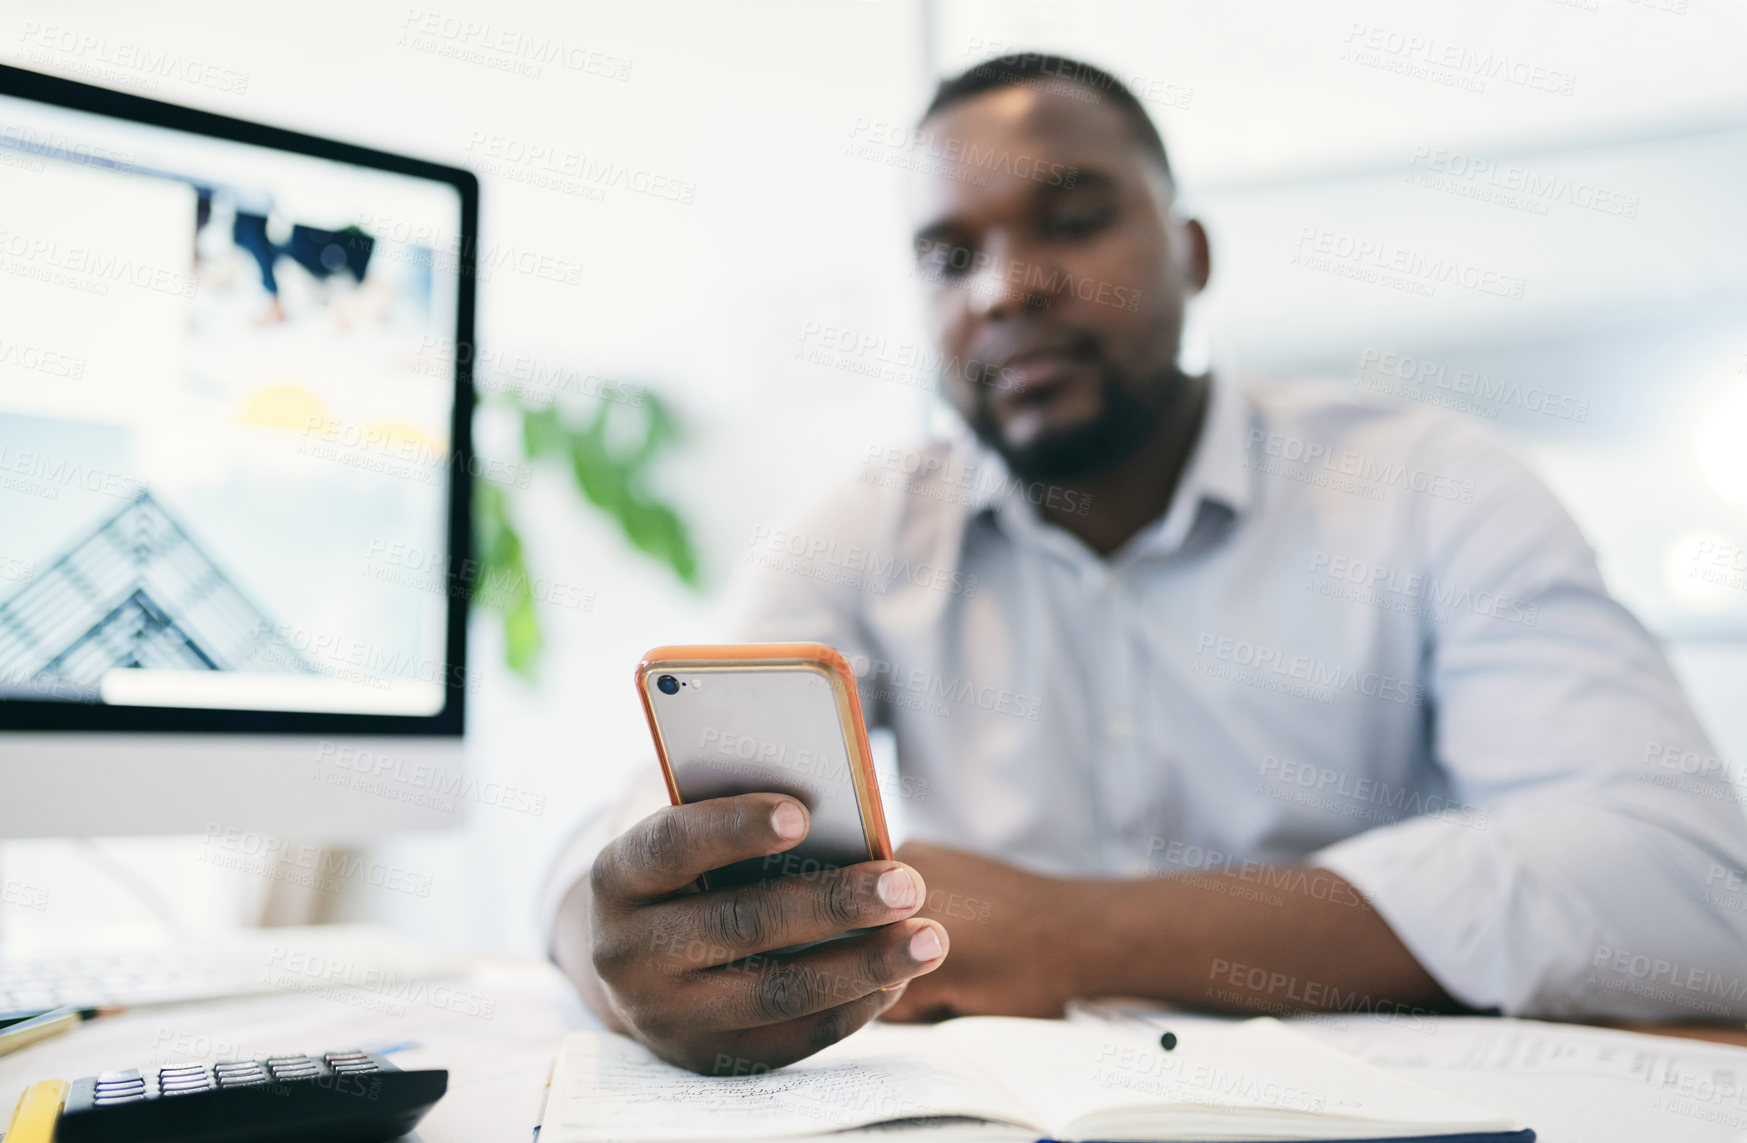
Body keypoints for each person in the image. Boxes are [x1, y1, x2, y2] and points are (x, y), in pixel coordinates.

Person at [543, 53, 1747, 1075]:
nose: (1009, 287)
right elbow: (610, 827)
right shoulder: (863, 531)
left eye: (1071, 220)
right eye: (949, 258)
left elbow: (1687, 881)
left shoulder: (1432, 485)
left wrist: (1072, 934)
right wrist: (619, 945)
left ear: (1192, 253)